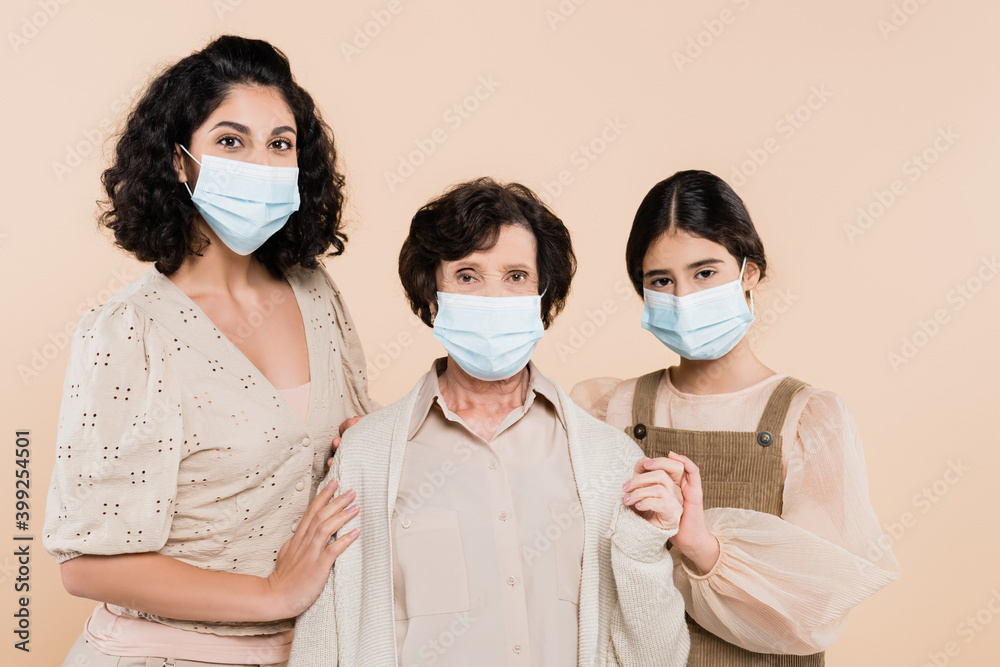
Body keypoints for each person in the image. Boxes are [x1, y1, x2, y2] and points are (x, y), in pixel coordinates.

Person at [42, 35, 375, 667]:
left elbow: (340, 451)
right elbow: (86, 566)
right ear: (178, 162)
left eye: (280, 143)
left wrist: (364, 442)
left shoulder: (315, 292)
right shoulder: (127, 332)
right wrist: (271, 593)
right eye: (230, 140)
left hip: (309, 650)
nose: (261, 162)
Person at [288, 178, 691, 666]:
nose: (494, 296)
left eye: (516, 276)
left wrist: (646, 550)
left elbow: (657, 658)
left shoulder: (611, 464)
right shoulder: (363, 459)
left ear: (543, 299)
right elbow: (321, 642)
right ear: (432, 297)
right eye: (467, 275)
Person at [571, 170, 901, 665]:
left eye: (704, 273)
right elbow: (584, 584)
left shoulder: (808, 418)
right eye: (662, 280)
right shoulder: (607, 409)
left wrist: (702, 547)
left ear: (750, 271)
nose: (683, 299)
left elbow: (813, 610)